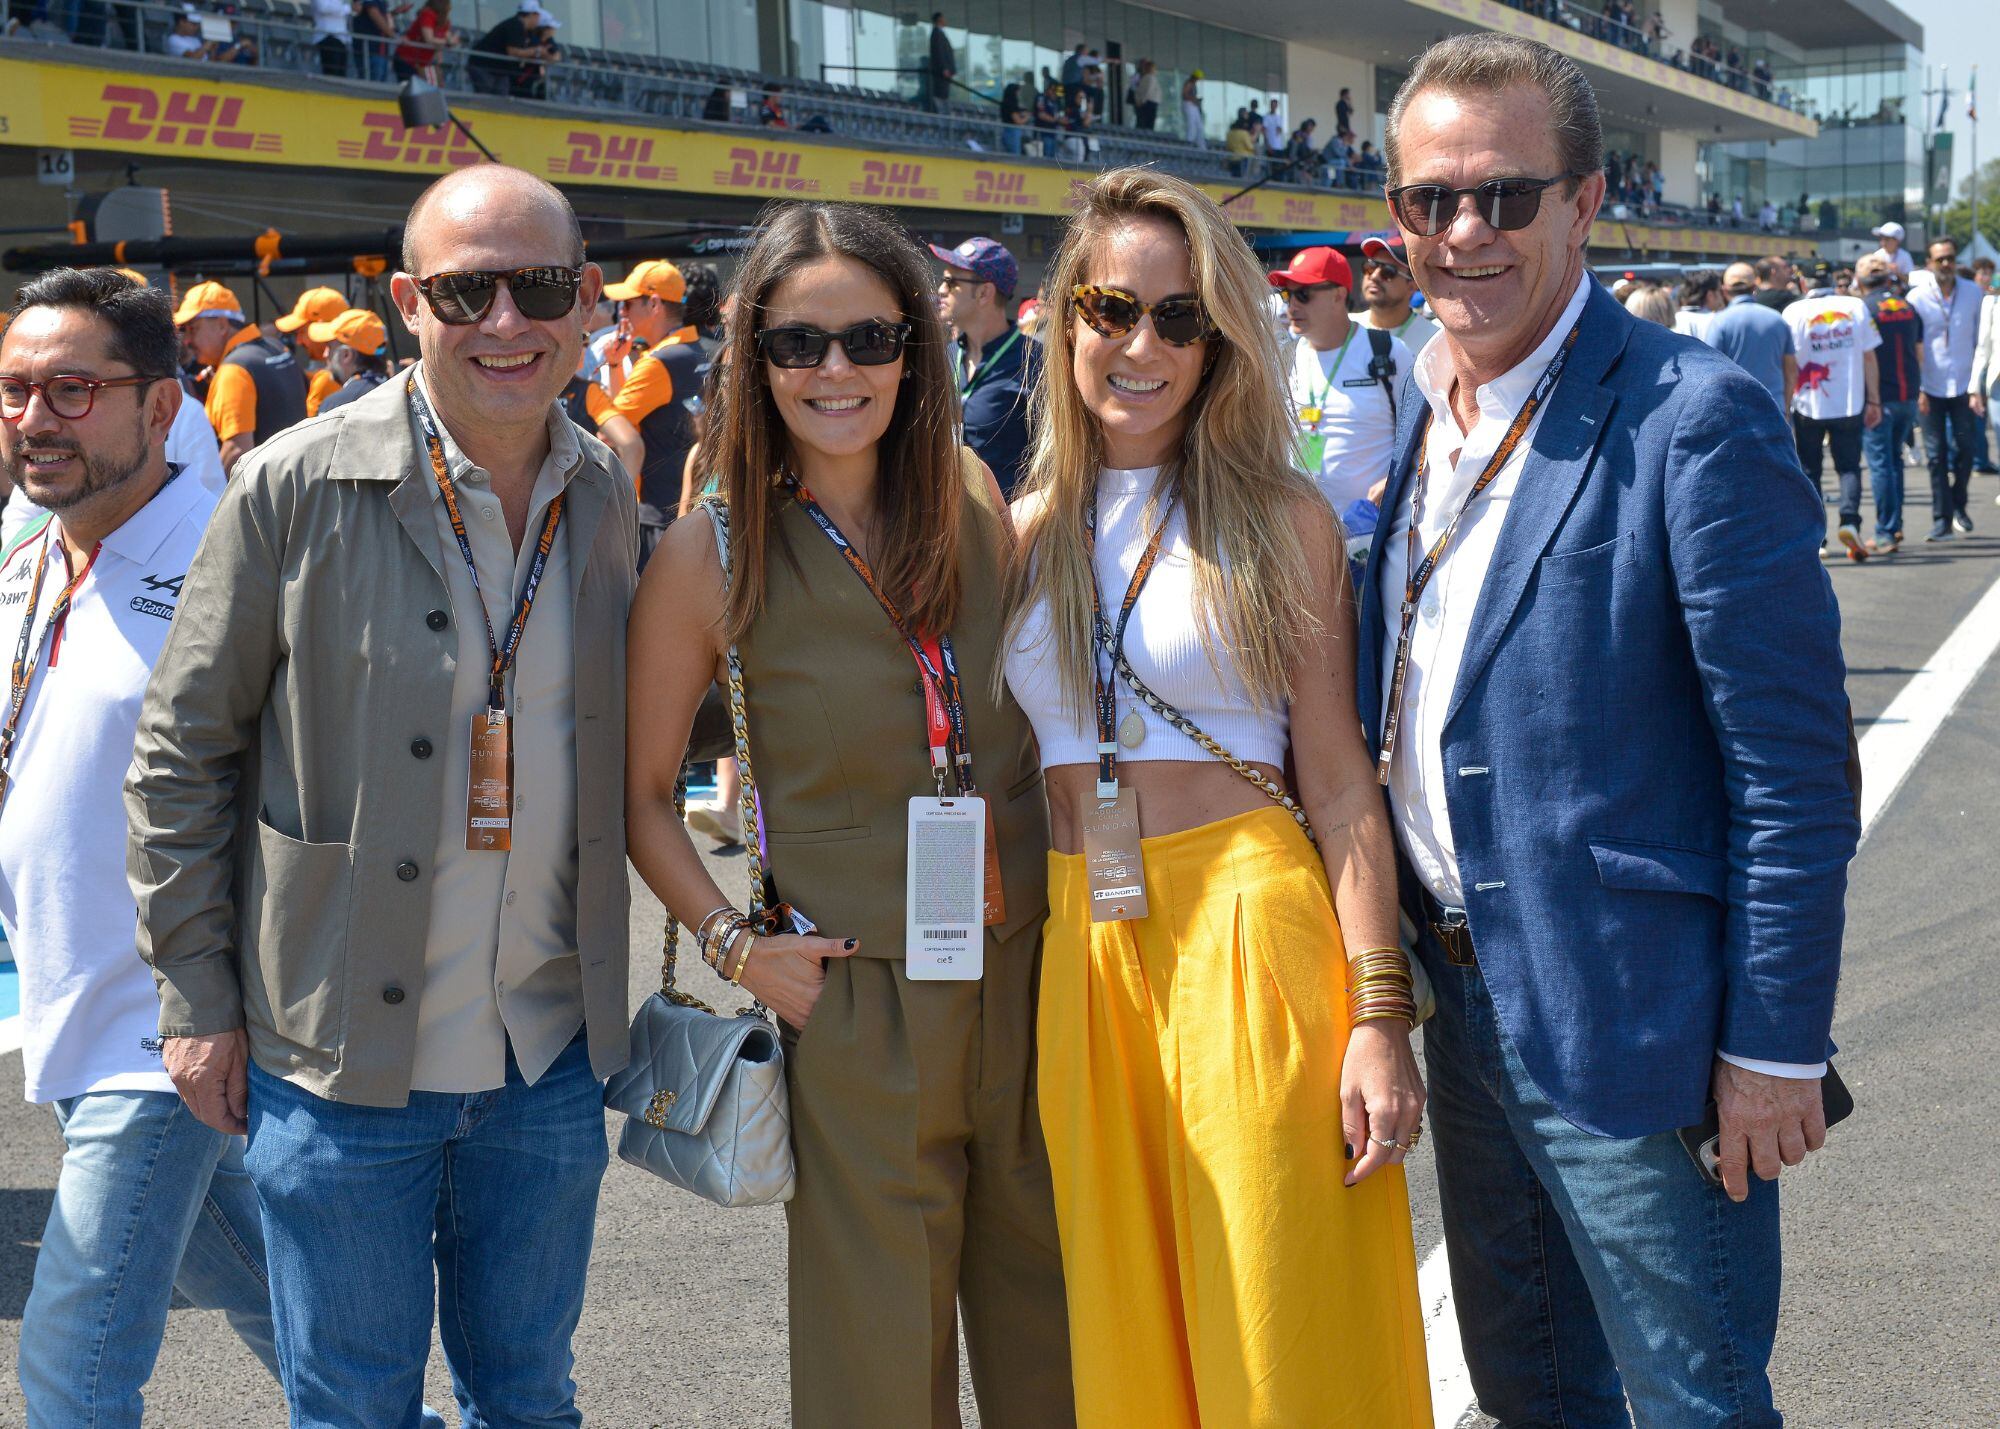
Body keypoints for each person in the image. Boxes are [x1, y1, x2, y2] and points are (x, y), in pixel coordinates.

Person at [1365, 34, 1856, 1426]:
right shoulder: (1422, 404)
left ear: (1584, 203)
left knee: (1693, 1400)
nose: (1465, 232)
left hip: (1635, 1019)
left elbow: (1795, 773)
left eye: (1506, 197)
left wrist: (1774, 1044)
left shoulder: (1693, 417)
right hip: (1459, 996)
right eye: (1430, 200)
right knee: (1531, 1393)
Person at [125, 165, 637, 1428]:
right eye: (468, 290)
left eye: (541, 287)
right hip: (338, 1059)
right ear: (408, 300)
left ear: (583, 307)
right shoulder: (291, 486)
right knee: (352, 1403)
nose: (506, 322)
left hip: (547, 1060)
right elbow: (182, 756)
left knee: (529, 1396)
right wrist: (197, 1000)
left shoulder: (609, 497)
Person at [626, 200, 1073, 1428]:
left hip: (1032, 968)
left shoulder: (976, 494)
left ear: (916, 350)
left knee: (1066, 1338)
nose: (835, 372)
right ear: (751, 359)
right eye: (797, 345)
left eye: (869, 340)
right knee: (878, 1361)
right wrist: (736, 948)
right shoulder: (713, 550)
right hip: (857, 991)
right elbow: (644, 797)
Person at [1002, 166, 1429, 1425]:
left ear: (1220, 342)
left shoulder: (1277, 519)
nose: (1140, 345)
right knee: (1129, 1333)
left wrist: (1377, 1011)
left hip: (1251, 931)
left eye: (1178, 318)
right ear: (1062, 315)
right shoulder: (1016, 531)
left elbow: (1341, 783)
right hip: (1084, 950)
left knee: (1280, 1327)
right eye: (1110, 306)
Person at [0, 267, 284, 1428]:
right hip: (72, 1011)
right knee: (286, 1312)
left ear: (161, 407)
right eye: (16, 389)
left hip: (167, 1030)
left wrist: (218, 1001)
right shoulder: (29, 558)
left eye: (73, 390)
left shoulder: (235, 558)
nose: (35, 419)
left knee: (72, 1371)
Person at [1271, 245, 1412, 512]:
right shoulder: (1287, 357)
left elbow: (1425, 431)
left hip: (1370, 529)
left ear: (1338, 295)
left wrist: (1394, 480)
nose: (1292, 305)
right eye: (1287, 294)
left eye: (1303, 294)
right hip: (1301, 525)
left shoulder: (1388, 351)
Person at [595, 258, 712, 564]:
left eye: (629, 303)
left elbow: (609, 430)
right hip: (691, 509)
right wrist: (618, 365)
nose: (622, 312)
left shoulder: (658, 363)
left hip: (656, 517)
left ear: (655, 304)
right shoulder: (697, 350)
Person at [932, 236, 1039, 497]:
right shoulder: (944, 357)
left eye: (951, 282)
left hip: (1009, 526)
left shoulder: (1035, 361)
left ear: (984, 293)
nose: (941, 290)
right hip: (945, 520)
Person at [1784, 276, 1882, 561]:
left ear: (1805, 284)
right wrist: (1874, 398)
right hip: (1849, 401)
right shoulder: (1855, 306)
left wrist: (1785, 403)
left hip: (1808, 404)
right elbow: (1869, 357)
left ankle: (1818, 536)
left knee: (1810, 470)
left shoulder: (1794, 311)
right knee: (1849, 467)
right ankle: (1850, 521)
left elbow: (1788, 362)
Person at [173, 280, 307, 478]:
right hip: (297, 481)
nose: (187, 341)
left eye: (193, 329)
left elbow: (236, 452)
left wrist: (214, 501)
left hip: (266, 498)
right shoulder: (276, 348)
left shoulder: (234, 371)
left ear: (221, 325)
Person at [1909, 234, 1983, 541]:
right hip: (1930, 386)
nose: (1946, 264)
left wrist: (1978, 383)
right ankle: (1942, 518)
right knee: (1936, 456)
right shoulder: (1916, 297)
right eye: (1939, 259)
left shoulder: (1973, 292)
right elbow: (1913, 347)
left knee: (1965, 450)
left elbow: (1981, 341)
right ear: (1929, 263)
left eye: (1950, 258)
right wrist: (1919, 388)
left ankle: (1959, 505)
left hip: (1965, 384)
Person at [1857, 255, 1921, 551]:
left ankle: (1885, 531)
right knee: (1894, 462)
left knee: (1882, 465)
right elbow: (1919, 353)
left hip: (1878, 399)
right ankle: (1894, 526)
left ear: (1859, 281)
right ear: (1887, 279)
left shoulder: (1863, 309)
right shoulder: (1908, 306)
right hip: (1907, 395)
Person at [1704, 261, 1796, 411]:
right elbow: (1791, 372)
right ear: (1754, 288)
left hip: (1736, 412)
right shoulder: (1777, 319)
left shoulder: (1719, 322)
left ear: (1724, 291)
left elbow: (1710, 372)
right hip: (1774, 408)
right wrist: (1785, 408)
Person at [273, 286, 350, 417]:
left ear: (322, 329)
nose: (298, 341)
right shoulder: (375, 368)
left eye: (302, 332)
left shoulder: (326, 381)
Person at [1358, 235, 1440, 353]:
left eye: (1388, 272)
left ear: (1412, 286)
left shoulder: (1433, 341)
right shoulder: (1345, 331)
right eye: (1371, 266)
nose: (1374, 276)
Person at [308, 307, 394, 414]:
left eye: (329, 347)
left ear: (346, 355)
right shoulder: (403, 388)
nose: (325, 355)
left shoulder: (335, 406)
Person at [467, 0, 548, 96]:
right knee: (486, 101)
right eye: (538, 16)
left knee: (501, 102)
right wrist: (536, 51)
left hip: (499, 70)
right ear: (532, 15)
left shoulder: (525, 30)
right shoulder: (515, 25)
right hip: (484, 67)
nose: (539, 20)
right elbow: (513, 51)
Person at [1974, 265, 2000, 496]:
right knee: (1999, 428)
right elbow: (1983, 347)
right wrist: (1974, 387)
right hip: (1997, 378)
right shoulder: (1991, 304)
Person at [392, 0, 453, 81]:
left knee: (433, 85)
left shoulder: (444, 21)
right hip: (407, 59)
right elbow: (429, 38)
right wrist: (447, 42)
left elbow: (447, 38)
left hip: (422, 63)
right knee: (410, 88)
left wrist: (451, 42)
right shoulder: (427, 14)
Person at [1674, 266, 1725, 340]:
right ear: (1710, 295)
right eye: (1720, 291)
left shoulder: (1676, 317)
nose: (1722, 296)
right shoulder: (1716, 321)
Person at [310, 0, 349, 75]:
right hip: (327, 35)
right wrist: (347, 8)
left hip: (341, 38)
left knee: (341, 75)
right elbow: (323, 8)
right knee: (332, 73)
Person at [927, 10, 954, 112]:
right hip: (941, 73)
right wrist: (944, 68)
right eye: (943, 18)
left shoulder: (940, 33)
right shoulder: (936, 34)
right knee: (941, 95)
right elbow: (939, 52)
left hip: (944, 73)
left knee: (944, 95)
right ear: (939, 20)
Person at [999, 71, 1031, 155]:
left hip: (1009, 131)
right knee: (1014, 155)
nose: (1018, 93)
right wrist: (1027, 117)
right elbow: (1018, 121)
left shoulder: (1007, 103)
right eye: (1017, 91)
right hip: (1012, 132)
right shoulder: (1010, 104)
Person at [1130, 58, 1160, 131]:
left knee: (1147, 122)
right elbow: (1145, 91)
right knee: (1144, 122)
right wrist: (1141, 101)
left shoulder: (1149, 77)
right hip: (1146, 102)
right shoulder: (1146, 77)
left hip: (1148, 101)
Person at [1181, 68, 1204, 147]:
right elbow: (1184, 95)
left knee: (1199, 126)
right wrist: (1194, 99)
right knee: (1191, 125)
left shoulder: (1193, 84)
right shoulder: (1189, 83)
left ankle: (1200, 144)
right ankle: (1189, 142)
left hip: (1193, 105)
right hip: (1188, 104)